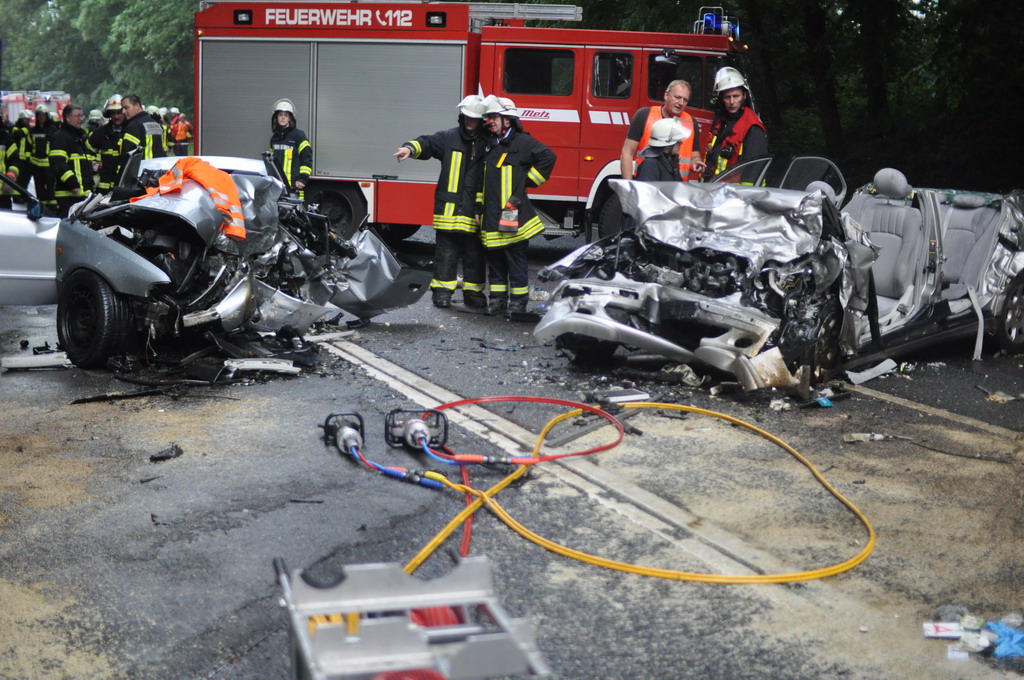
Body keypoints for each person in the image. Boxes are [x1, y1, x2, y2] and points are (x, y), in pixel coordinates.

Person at [394, 95, 490, 308]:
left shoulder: (490, 143)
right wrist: (409, 149)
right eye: (465, 116)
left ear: (482, 120)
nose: (468, 121)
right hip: (449, 211)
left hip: (475, 211)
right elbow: (426, 143)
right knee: (446, 254)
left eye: (473, 118)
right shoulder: (449, 137)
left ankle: (473, 294)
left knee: (475, 255)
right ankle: (442, 293)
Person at [476, 95, 556, 317]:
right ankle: (498, 300)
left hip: (512, 213)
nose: (489, 121)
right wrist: (478, 208)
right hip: (491, 214)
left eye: (494, 117)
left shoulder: (522, 142)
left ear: (508, 120)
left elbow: (548, 157)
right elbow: (483, 181)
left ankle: (518, 302)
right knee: (495, 259)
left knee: (515, 260)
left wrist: (529, 181)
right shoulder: (489, 145)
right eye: (488, 118)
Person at [620, 79, 704, 182]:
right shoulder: (644, 115)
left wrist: (696, 162)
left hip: (678, 186)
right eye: (677, 97)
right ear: (666, 95)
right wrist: (629, 187)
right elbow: (627, 153)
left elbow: (695, 155)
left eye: (685, 100)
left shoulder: (691, 123)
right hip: (648, 179)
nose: (681, 103)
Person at [701, 67, 767, 181]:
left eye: (736, 96)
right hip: (714, 187)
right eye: (727, 97)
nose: (732, 102)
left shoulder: (752, 126)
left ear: (744, 96)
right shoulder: (721, 121)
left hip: (734, 193)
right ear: (722, 99)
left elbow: (753, 170)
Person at [48, 104, 96, 217]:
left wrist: (92, 166)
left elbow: (80, 163)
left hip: (82, 195)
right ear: (68, 118)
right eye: (77, 116)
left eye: (82, 116)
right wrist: (72, 183)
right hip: (68, 196)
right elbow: (58, 163)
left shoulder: (79, 137)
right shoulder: (60, 137)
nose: (81, 119)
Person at [267, 99, 312, 200]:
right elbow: (271, 163)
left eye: (286, 115)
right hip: (277, 186)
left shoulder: (298, 136)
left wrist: (303, 179)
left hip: (294, 186)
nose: (283, 117)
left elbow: (307, 158)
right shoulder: (274, 138)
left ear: (290, 118)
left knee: (294, 214)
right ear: (276, 118)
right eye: (280, 115)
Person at [117, 94, 166, 176]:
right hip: (157, 174)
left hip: (140, 175)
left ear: (137, 106)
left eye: (126, 108)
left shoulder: (133, 125)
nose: (123, 112)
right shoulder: (155, 123)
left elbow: (128, 155)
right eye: (122, 108)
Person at [633, 118, 687, 183]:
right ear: (668, 144)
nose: (681, 143)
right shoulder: (650, 165)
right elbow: (648, 191)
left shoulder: (670, 161)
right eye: (678, 141)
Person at [90, 94, 125, 193]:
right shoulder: (100, 133)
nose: (116, 116)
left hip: (124, 185)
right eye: (113, 113)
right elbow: (88, 152)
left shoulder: (131, 131)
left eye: (119, 112)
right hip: (103, 186)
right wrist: (94, 163)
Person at [30, 104, 59, 212]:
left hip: (49, 164)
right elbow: (29, 146)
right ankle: (41, 208)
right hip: (36, 164)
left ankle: (52, 209)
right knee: (39, 188)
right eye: (39, 115)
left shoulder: (53, 130)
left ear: (47, 116)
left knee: (51, 187)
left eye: (43, 115)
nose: (41, 117)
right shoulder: (33, 131)